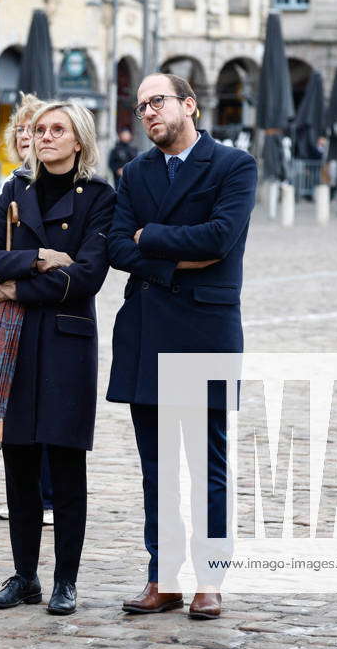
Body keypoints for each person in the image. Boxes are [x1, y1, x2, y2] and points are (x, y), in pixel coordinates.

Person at [106, 73, 257, 620]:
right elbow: (120, 247)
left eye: (158, 101)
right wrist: (170, 252)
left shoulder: (233, 165)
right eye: (141, 105)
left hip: (204, 333)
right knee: (157, 467)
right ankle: (163, 576)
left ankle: (210, 580)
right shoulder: (134, 172)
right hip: (147, 332)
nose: (148, 112)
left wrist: (152, 238)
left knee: (206, 463)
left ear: (188, 105)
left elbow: (220, 238)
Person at [0, 101, 114, 616]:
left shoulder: (97, 196)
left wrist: (15, 285)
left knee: (67, 465)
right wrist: (38, 258)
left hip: (66, 343)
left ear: (79, 141)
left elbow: (89, 275)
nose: (44, 136)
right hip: (13, 340)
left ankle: (65, 581)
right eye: (39, 129)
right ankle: (24, 576)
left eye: (57, 130)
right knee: (18, 463)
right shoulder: (14, 189)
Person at [0, 91, 55, 527]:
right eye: (20, 130)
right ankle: (24, 495)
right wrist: (21, 265)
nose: (25, 137)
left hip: (44, 308)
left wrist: (22, 271)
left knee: (47, 404)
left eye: (31, 130)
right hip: (5, 304)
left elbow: (71, 264)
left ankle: (47, 495)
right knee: (10, 404)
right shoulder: (11, 184)